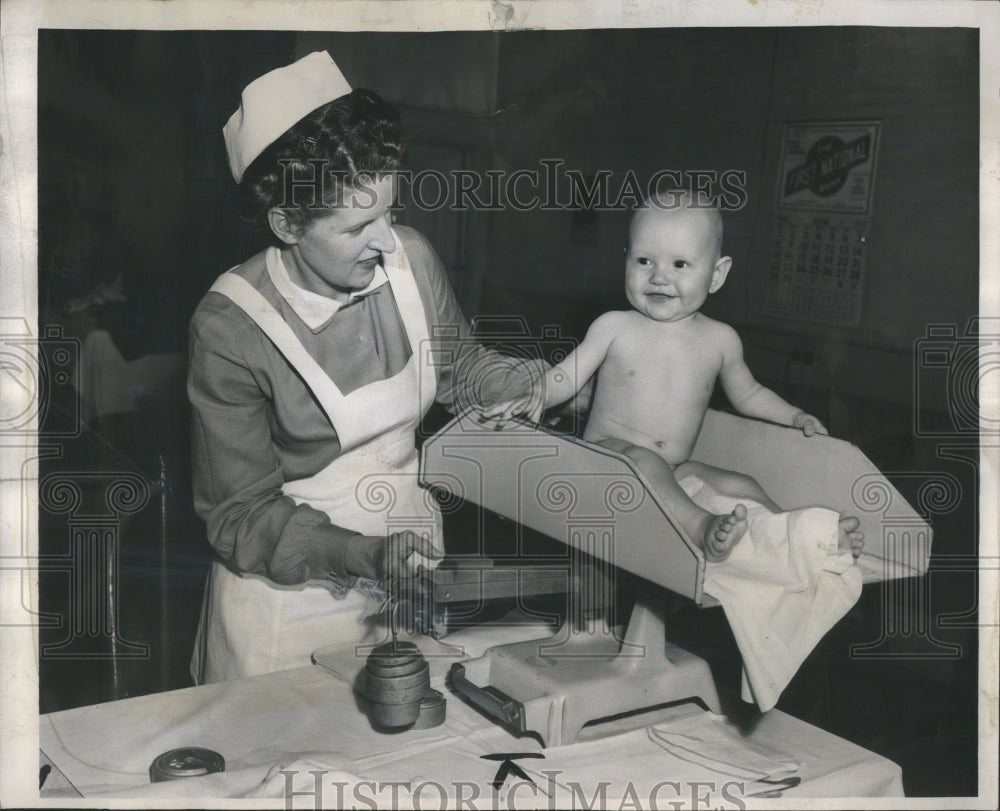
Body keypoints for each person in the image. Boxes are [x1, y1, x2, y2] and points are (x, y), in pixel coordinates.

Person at [188, 51, 534, 684]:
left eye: (389, 211)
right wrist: (365, 553)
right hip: (288, 600)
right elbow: (239, 514)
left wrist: (543, 384)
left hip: (410, 571)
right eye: (357, 226)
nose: (385, 239)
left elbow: (461, 368)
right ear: (287, 224)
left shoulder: (413, 260)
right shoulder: (231, 326)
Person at [492, 190, 864, 563]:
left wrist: (793, 416)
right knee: (645, 461)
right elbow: (566, 376)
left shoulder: (721, 340)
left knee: (741, 484)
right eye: (644, 260)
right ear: (626, 261)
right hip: (606, 460)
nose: (659, 277)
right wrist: (537, 394)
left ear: (716, 274)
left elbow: (749, 394)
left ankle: (800, 537)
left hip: (672, 470)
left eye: (680, 264)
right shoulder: (614, 327)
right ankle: (701, 528)